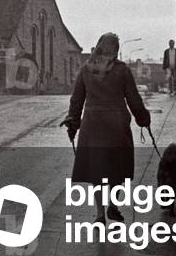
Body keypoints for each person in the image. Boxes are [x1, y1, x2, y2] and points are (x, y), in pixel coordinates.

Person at [60, 33, 151, 223]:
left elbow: (77, 100)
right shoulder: (123, 71)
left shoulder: (86, 69)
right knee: (117, 168)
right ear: (115, 50)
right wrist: (143, 119)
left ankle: (100, 214)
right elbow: (134, 99)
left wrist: (73, 123)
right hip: (116, 125)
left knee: (97, 170)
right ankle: (113, 206)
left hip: (93, 125)